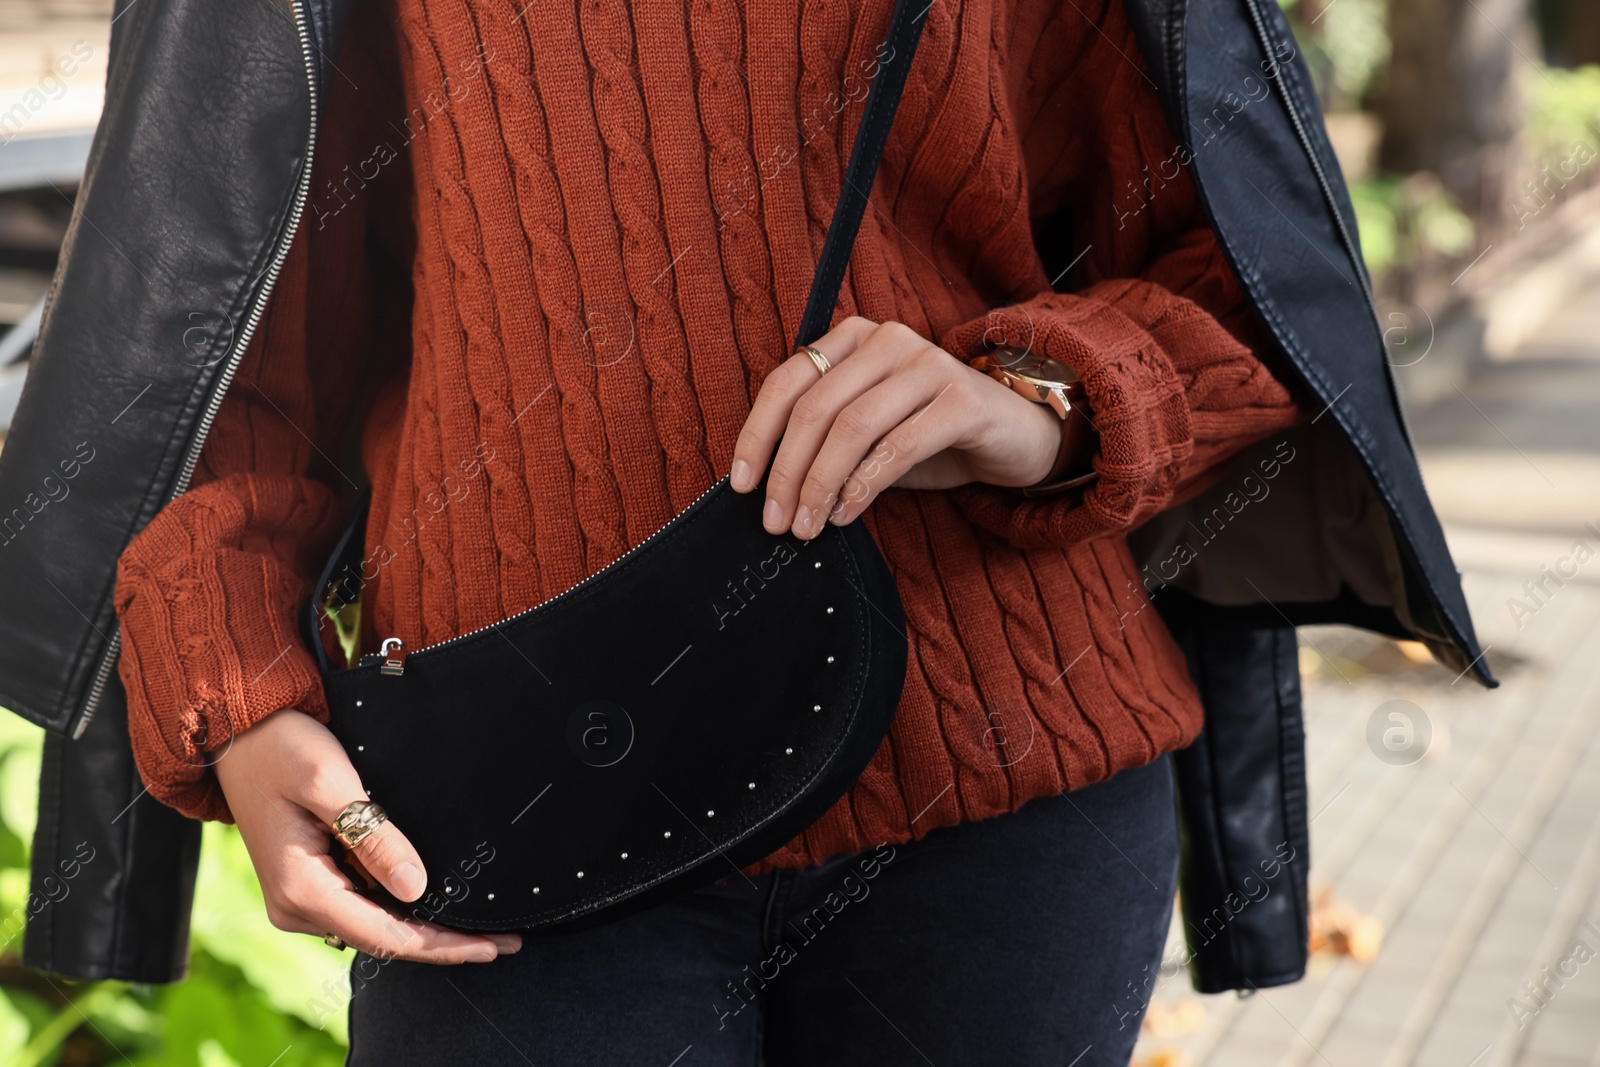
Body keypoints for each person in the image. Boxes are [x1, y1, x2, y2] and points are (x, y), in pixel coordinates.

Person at [105, 0, 1311, 1062]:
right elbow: (226, 326)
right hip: (515, 797)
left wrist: (1045, 399)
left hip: (1002, 779)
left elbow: (1256, 274)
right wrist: (234, 688)